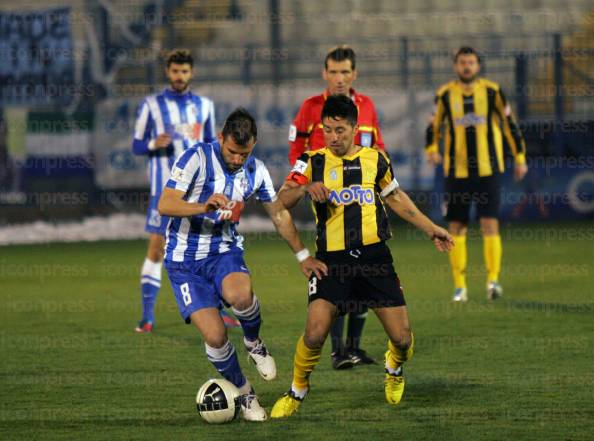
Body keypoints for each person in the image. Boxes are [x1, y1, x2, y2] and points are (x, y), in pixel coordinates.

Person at [270, 95, 453, 418]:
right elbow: (280, 202)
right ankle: (297, 390)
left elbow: (395, 198)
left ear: (355, 128)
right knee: (314, 333)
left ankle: (393, 368)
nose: (333, 137)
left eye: (340, 130)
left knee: (402, 337)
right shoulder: (311, 161)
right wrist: (305, 189)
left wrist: (430, 228)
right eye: (327, 130)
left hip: (374, 259)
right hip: (333, 262)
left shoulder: (375, 159)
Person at [158, 108, 327, 421]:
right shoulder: (196, 159)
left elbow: (278, 213)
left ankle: (253, 342)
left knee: (241, 296)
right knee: (215, 336)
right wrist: (202, 205)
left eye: (244, 153)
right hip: (183, 263)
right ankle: (246, 394)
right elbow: (164, 204)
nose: (237, 160)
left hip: (223, 251)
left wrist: (303, 255)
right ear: (221, 138)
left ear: (255, 144)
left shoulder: (256, 170)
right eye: (232, 152)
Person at [288, 45, 385, 369]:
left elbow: (378, 147)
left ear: (354, 74)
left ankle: (353, 348)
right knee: (337, 266)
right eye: (334, 71)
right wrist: (302, 184)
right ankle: (337, 349)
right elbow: (297, 150)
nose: (339, 78)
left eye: (345, 72)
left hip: (361, 197)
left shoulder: (367, 106)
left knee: (364, 265)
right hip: (328, 200)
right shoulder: (311, 107)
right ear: (324, 73)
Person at [131, 49, 239, 331]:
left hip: (198, 194)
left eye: (184, 71)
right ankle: (147, 317)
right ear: (168, 72)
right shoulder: (151, 105)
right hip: (164, 193)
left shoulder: (203, 106)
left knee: (204, 250)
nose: (180, 76)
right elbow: (136, 144)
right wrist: (155, 143)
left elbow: (210, 148)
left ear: (191, 73)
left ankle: (216, 311)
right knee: (156, 249)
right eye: (175, 71)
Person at [425, 46, 528, 302]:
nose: (467, 66)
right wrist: (431, 148)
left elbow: (509, 125)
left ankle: (493, 281)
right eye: (462, 62)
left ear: (478, 65)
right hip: (456, 172)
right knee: (456, 227)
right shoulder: (445, 95)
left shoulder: (492, 91)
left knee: (489, 224)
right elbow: (433, 126)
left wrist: (520, 157)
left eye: (471, 62)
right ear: (455, 65)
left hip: (488, 170)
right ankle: (460, 286)